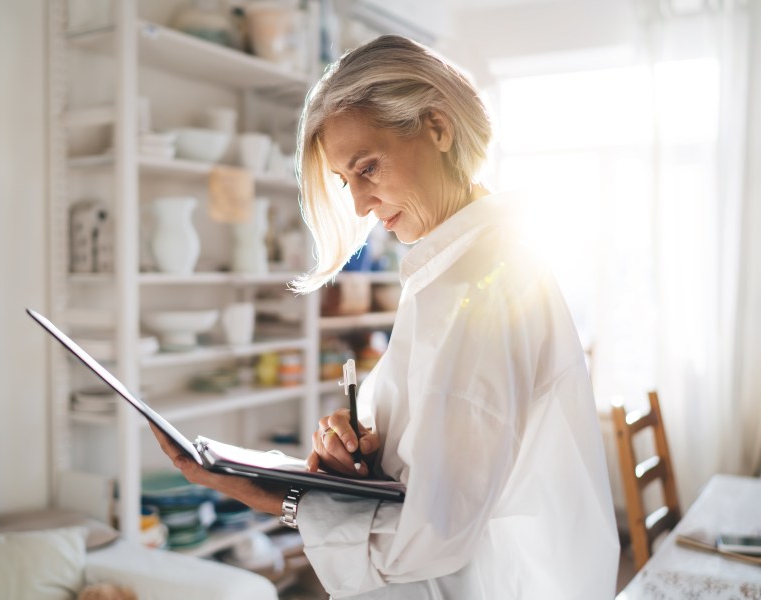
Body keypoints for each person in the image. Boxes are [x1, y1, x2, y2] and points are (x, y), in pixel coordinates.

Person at [151, 34, 619, 598]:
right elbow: (429, 449)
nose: (358, 205)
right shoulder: (450, 270)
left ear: (438, 129)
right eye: (346, 182)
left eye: (367, 167)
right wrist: (354, 448)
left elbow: (427, 538)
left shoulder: (480, 288)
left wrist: (275, 493)